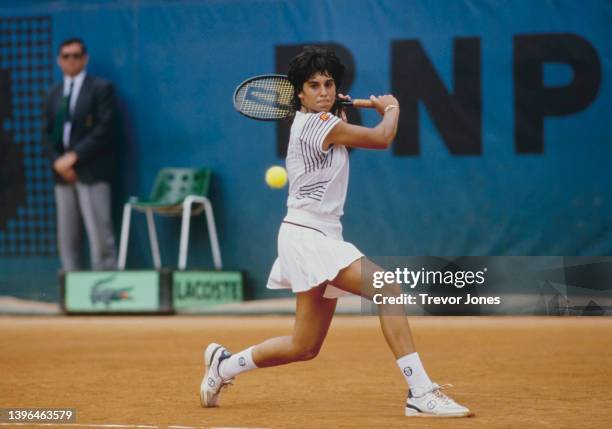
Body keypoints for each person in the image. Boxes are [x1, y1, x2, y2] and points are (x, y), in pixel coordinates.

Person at [200, 46, 471, 418]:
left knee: (304, 346)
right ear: (299, 93)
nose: (323, 92)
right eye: (313, 86)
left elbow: (341, 122)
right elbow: (381, 138)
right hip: (307, 236)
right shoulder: (317, 125)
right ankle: (421, 393)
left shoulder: (325, 117)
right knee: (388, 288)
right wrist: (391, 108)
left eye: (329, 84)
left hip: (316, 235)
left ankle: (224, 366)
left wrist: (346, 108)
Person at [42, 38, 118, 271]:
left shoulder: (101, 88)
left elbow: (105, 129)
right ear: (59, 60)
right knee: (67, 235)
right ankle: (72, 290)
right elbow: (46, 133)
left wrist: (74, 157)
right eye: (66, 56)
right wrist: (59, 163)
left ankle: (105, 289)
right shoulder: (52, 93)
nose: (71, 60)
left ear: (85, 58)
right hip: (62, 175)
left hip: (92, 171)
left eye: (76, 55)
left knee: (99, 233)